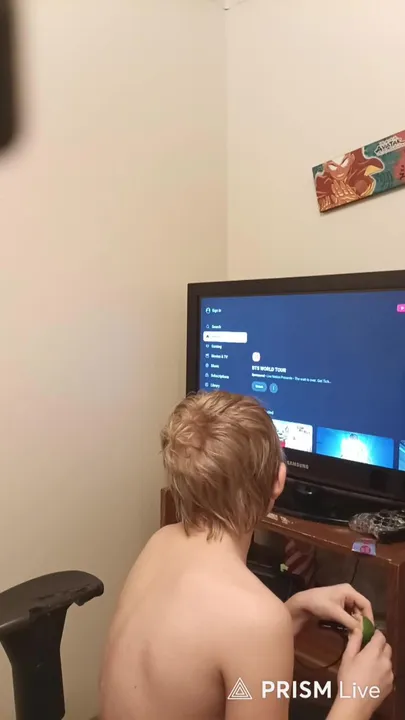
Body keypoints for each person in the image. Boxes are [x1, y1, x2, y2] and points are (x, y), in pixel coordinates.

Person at [100, 391, 393, 720]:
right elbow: (241, 632)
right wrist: (357, 699)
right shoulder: (255, 620)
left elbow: (205, 654)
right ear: (278, 480)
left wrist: (292, 610)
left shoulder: (160, 542)